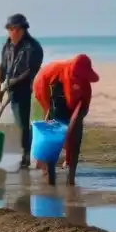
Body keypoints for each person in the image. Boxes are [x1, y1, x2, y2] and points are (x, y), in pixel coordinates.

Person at [30, 54, 100, 186]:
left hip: (70, 103)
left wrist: (73, 128)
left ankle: (71, 175)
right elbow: (47, 103)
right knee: (52, 135)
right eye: (77, 78)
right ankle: (48, 172)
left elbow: (81, 111)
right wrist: (49, 114)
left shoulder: (85, 88)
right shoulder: (59, 74)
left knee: (75, 137)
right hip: (46, 88)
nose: (80, 80)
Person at [0, 14, 44, 169]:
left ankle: (27, 155)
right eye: (8, 29)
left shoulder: (33, 47)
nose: (10, 32)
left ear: (20, 29)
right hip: (13, 89)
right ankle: (30, 152)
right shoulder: (7, 46)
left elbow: (30, 71)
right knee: (20, 122)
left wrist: (11, 83)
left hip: (30, 90)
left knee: (27, 123)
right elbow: (3, 66)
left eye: (12, 28)